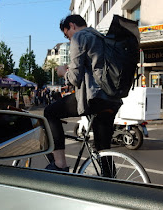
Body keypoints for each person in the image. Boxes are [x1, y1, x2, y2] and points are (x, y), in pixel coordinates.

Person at [44, 14, 122, 172]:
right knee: (103, 149)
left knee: (50, 112)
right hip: (113, 99)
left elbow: (74, 78)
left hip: (94, 98)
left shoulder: (79, 37)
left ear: (72, 26)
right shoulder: (101, 37)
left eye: (67, 34)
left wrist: (62, 72)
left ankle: (60, 164)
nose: (68, 38)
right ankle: (109, 181)